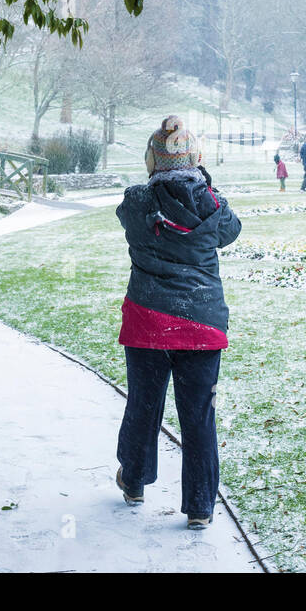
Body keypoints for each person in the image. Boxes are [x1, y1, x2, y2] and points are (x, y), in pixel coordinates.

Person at [114, 116, 241, 530]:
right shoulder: (212, 204)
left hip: (148, 322)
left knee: (143, 405)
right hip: (201, 325)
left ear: (152, 160)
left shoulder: (136, 203)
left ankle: (133, 481)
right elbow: (231, 230)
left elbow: (128, 213)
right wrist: (202, 181)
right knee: (198, 416)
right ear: (196, 159)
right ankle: (201, 505)